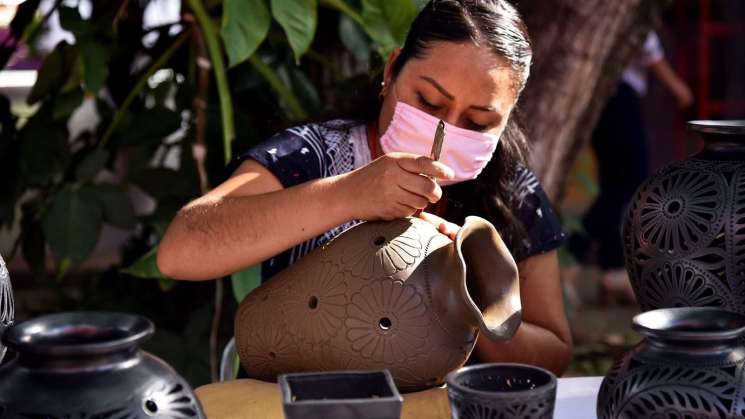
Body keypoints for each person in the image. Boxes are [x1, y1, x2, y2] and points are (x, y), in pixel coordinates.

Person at [158, 0, 573, 375]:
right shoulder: (313, 156)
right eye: (428, 101)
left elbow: (553, 355)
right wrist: (347, 195)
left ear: (507, 118)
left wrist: (469, 299)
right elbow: (181, 250)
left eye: (479, 122)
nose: (445, 131)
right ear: (391, 71)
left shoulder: (511, 192)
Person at [570, 32, 694, 303]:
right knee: (630, 180)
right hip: (618, 95)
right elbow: (646, 44)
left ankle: (610, 269)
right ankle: (574, 252)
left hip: (605, 97)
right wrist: (677, 88)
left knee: (615, 184)